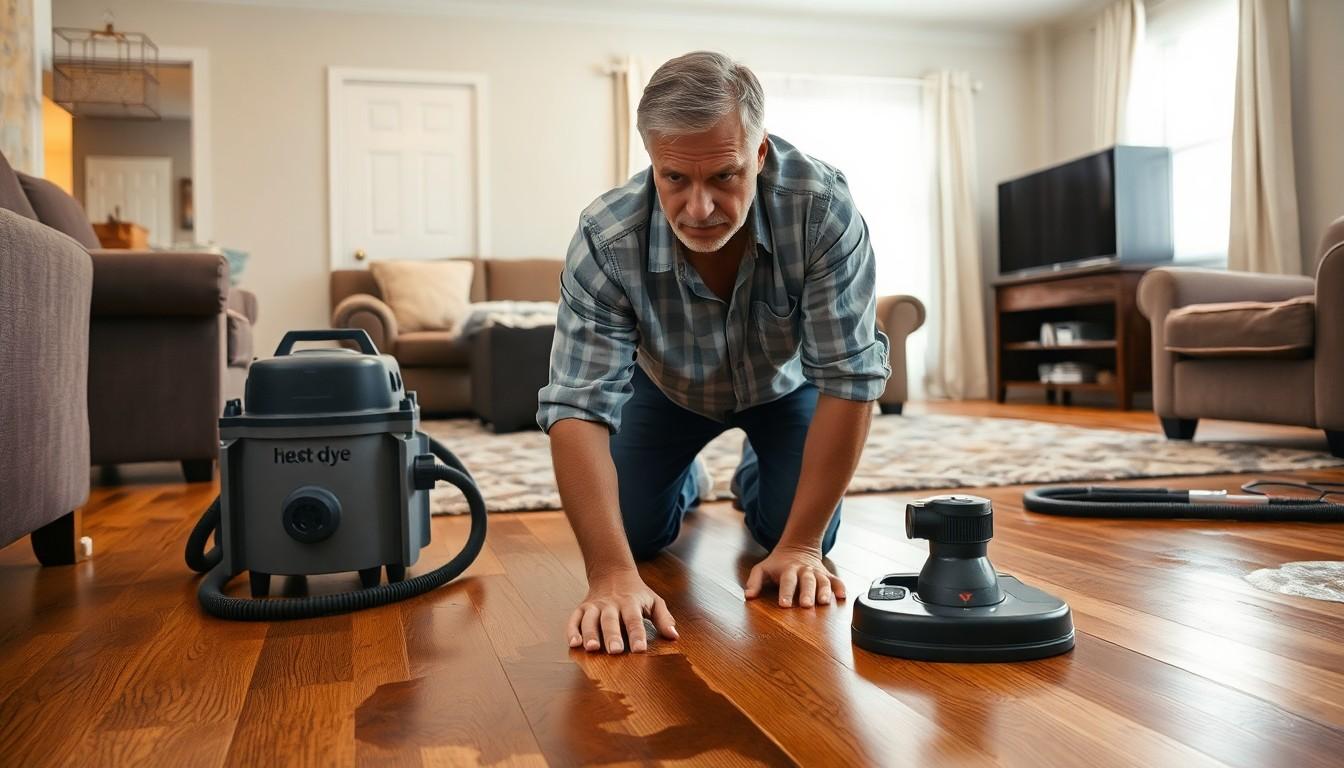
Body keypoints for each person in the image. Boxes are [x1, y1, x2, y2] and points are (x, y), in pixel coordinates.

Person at [537, 51, 890, 654]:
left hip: (786, 387)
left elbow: (851, 377)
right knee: (635, 537)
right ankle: (687, 476)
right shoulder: (606, 238)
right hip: (665, 391)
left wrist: (801, 546)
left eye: (724, 176)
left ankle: (759, 469)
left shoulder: (821, 208)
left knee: (792, 534)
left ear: (759, 154)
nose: (698, 209)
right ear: (652, 158)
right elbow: (576, 405)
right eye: (675, 178)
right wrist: (611, 575)